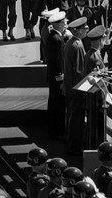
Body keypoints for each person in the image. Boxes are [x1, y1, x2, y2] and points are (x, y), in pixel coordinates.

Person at [63, 16, 88, 155]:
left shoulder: (71, 42)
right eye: (84, 28)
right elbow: (79, 72)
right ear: (77, 30)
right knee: (76, 121)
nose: (86, 30)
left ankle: (71, 145)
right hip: (76, 89)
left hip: (69, 87)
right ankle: (74, 147)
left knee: (72, 118)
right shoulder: (78, 45)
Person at [45, 11, 67, 139]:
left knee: (54, 103)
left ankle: (54, 131)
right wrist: (61, 79)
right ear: (58, 24)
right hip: (57, 79)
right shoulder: (57, 39)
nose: (65, 24)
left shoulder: (54, 37)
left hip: (53, 78)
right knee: (57, 106)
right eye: (63, 22)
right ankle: (56, 132)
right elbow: (57, 62)